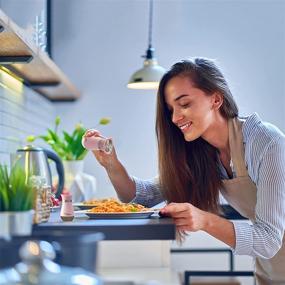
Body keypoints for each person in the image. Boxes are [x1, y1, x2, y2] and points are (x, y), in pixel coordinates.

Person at [84, 58, 285, 284]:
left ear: (216, 99)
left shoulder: (266, 142)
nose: (175, 118)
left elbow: (269, 239)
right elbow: (142, 197)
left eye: (185, 104)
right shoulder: (205, 154)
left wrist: (204, 220)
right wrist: (111, 164)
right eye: (171, 109)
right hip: (268, 268)